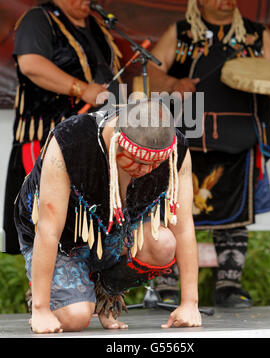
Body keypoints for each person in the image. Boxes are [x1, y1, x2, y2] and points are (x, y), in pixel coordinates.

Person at [147, 0, 270, 308]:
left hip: (238, 137)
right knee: (172, 210)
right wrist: (173, 84)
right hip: (187, 137)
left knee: (236, 211)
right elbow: (151, 75)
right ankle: (165, 286)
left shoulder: (255, 34)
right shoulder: (181, 33)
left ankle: (228, 284)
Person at [14, 98, 201, 333]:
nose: (146, 171)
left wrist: (190, 304)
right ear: (117, 142)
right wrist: (41, 310)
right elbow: (49, 230)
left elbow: (183, 227)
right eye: (140, 162)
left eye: (155, 165)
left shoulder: (176, 151)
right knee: (74, 319)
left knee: (163, 244)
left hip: (115, 231)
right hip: (62, 240)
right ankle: (46, 291)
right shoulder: (71, 141)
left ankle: (105, 290)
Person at [3, 0, 122, 254]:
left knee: (91, 223)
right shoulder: (38, 19)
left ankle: (95, 294)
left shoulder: (97, 28)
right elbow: (31, 64)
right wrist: (81, 89)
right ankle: (47, 296)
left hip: (92, 142)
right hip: (47, 138)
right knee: (51, 219)